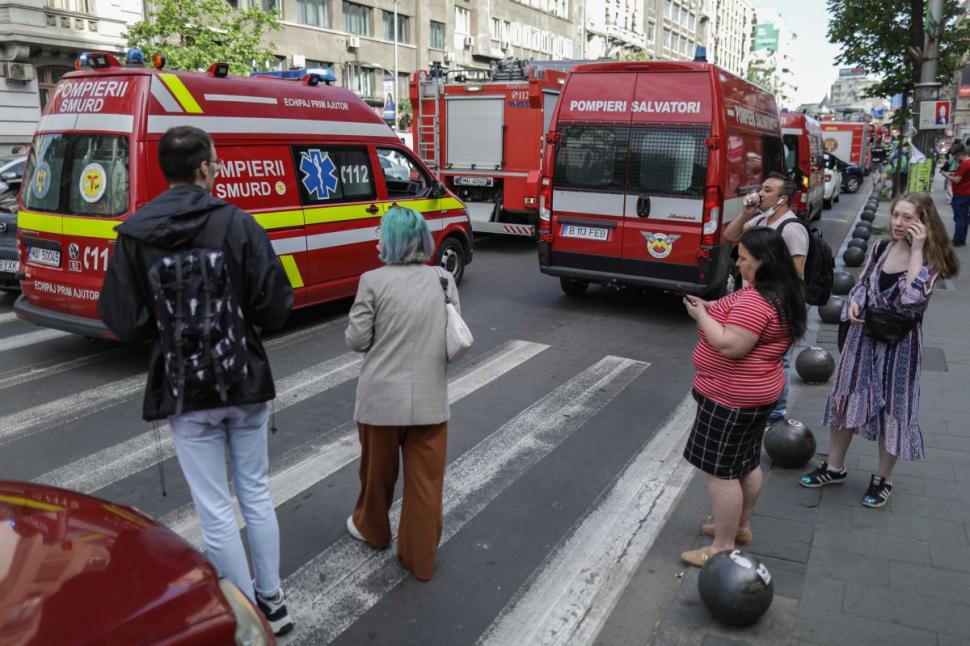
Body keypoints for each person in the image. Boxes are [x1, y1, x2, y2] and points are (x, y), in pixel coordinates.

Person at [98, 126, 294, 635]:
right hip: (243, 381)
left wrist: (167, 328)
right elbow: (274, 305)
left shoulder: (135, 234)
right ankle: (274, 600)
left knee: (214, 510)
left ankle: (245, 615)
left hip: (186, 392)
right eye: (217, 160)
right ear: (205, 167)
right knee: (254, 492)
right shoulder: (239, 224)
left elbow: (121, 318)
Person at [801, 193, 959, 507]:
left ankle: (883, 478)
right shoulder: (879, 247)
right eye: (896, 215)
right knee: (846, 397)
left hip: (899, 348)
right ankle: (834, 466)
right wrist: (856, 299)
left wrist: (916, 250)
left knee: (894, 411)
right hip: (864, 338)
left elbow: (913, 298)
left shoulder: (931, 260)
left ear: (924, 223)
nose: (899, 223)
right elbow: (862, 282)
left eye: (908, 218)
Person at [680, 227, 806, 566]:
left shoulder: (757, 299)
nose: (738, 264)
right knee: (746, 463)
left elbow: (730, 345)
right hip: (757, 395)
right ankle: (741, 526)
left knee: (721, 472)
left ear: (765, 261)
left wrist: (701, 316)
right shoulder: (782, 292)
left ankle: (721, 547)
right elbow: (732, 310)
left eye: (744, 259)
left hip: (731, 398)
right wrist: (710, 306)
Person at [344, 205, 458, 582]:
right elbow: (449, 335)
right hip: (429, 402)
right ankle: (419, 559)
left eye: (381, 232)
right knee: (426, 485)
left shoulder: (372, 281)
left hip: (379, 402)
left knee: (376, 476)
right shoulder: (443, 279)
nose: (376, 238)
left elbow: (357, 339)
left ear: (391, 242)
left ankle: (374, 530)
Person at [724, 171, 807, 426]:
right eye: (762, 188)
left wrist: (766, 293)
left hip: (777, 305)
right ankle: (755, 405)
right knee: (754, 357)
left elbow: (797, 273)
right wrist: (746, 214)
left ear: (782, 199)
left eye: (768, 190)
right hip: (754, 300)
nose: (761, 193)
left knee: (778, 360)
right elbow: (731, 235)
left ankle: (776, 415)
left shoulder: (792, 229)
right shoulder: (760, 220)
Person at [941, 144, 970, 247]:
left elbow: (957, 180)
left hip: (961, 194)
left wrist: (946, 175)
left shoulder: (964, 164)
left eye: (956, 156)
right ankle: (962, 239)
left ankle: (957, 240)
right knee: (965, 218)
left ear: (960, 154)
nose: (955, 159)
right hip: (967, 193)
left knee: (959, 218)